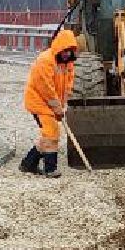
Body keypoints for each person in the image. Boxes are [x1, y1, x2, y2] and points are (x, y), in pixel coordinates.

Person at [20, 30, 80, 175]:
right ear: (59, 47)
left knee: (48, 134)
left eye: (70, 51)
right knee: (51, 132)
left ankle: (28, 164)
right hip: (38, 102)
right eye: (65, 51)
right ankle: (50, 169)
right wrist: (57, 107)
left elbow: (67, 87)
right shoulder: (45, 60)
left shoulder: (68, 64)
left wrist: (62, 106)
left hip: (52, 104)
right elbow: (46, 88)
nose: (67, 54)